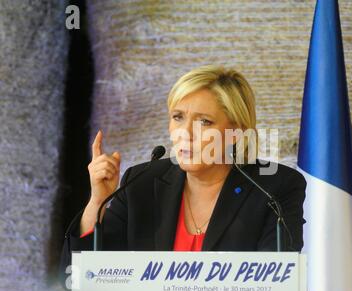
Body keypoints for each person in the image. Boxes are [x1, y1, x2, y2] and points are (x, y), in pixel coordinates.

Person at [60, 65, 306, 273]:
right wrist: (98, 202)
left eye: (204, 122)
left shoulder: (274, 188)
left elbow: (276, 285)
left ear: (236, 132)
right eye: (178, 117)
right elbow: (76, 277)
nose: (185, 134)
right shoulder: (141, 183)